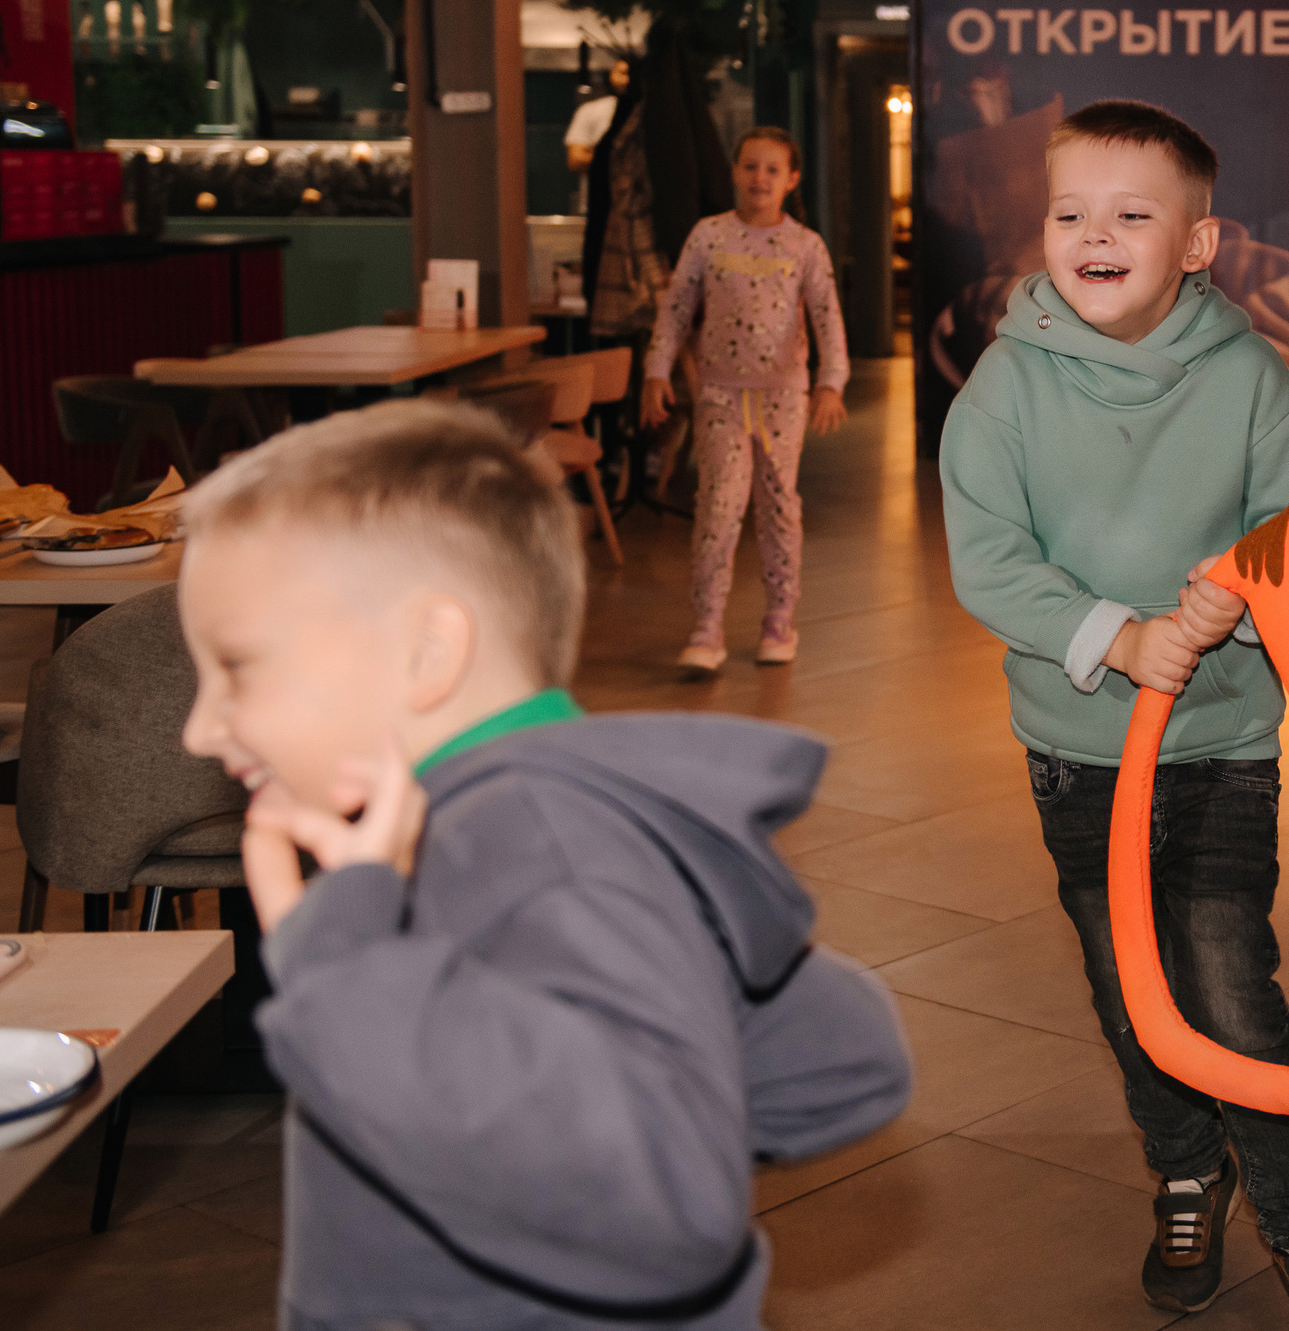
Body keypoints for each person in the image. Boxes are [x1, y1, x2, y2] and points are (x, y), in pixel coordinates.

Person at [174, 398, 912, 1331]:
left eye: (236, 668)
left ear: (427, 652)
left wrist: (352, 974)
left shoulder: (528, 846)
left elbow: (668, 1216)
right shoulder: (533, 832)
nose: (201, 728)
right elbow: (844, 1057)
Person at [939, 100, 1289, 1331]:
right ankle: (1186, 1166)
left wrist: (1230, 601)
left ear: (1197, 242)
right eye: (1072, 212)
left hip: (1222, 738)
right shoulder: (1005, 386)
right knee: (1128, 985)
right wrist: (1120, 638)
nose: (1097, 233)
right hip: (1081, 750)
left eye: (1133, 214)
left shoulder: (1247, 378)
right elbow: (990, 558)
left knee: (1233, 985)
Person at [640, 127, 850, 677]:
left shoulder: (805, 246)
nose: (760, 178)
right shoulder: (708, 237)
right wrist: (656, 370)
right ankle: (706, 626)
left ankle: (780, 620)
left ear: (791, 179)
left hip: (783, 396)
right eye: (751, 166)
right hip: (719, 394)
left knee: (780, 504)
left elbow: (827, 315)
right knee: (719, 506)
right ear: (735, 172)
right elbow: (678, 306)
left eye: (772, 169)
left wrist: (832, 381)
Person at [563, 57, 630, 186]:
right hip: (602, 194)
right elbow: (576, 159)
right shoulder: (590, 110)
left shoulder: (649, 111)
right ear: (611, 74)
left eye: (630, 74)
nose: (627, 80)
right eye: (622, 73)